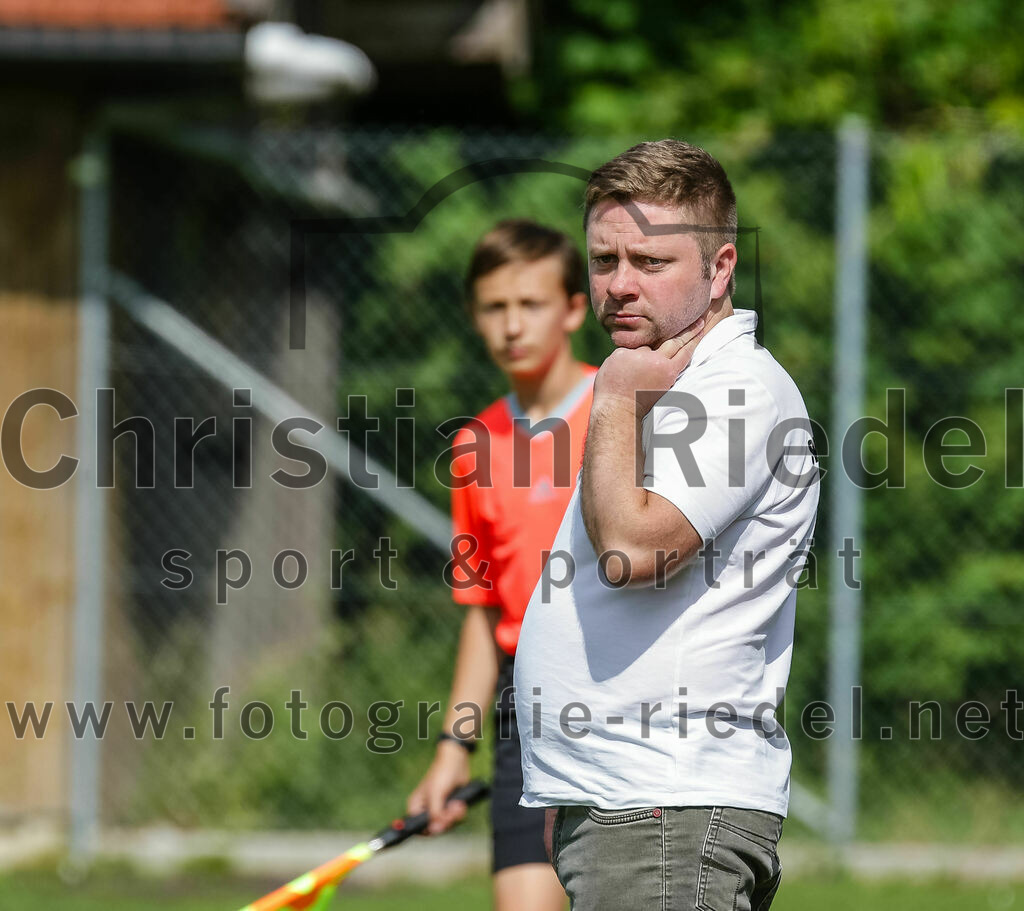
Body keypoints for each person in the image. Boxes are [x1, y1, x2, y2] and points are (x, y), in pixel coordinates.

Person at [514, 140, 820, 910]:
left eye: (650, 263)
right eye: (604, 258)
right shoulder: (668, 383)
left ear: (720, 268)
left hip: (665, 810)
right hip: (630, 805)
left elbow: (631, 550)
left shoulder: (738, 389)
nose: (619, 285)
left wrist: (613, 395)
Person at [408, 219, 595, 911]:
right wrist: (452, 750)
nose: (512, 325)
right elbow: (485, 616)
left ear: (575, 307)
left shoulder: (627, 411)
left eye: (531, 303)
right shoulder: (473, 447)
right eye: (494, 307)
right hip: (527, 705)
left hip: (625, 689)